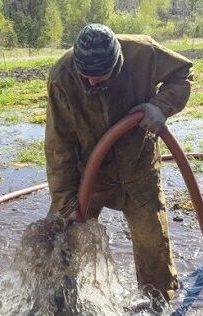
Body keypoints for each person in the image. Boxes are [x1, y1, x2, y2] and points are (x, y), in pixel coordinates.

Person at [44, 24, 193, 301]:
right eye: (85, 77)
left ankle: (157, 304)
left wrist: (160, 106)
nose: (90, 84)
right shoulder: (62, 77)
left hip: (138, 167)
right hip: (89, 174)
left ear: (117, 63)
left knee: (152, 242)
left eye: (99, 78)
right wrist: (67, 206)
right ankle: (62, 302)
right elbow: (58, 147)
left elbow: (183, 73)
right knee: (64, 237)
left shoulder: (143, 53)